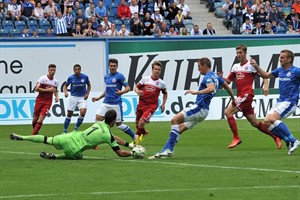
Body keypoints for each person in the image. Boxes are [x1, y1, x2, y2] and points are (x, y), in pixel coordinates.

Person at [148, 57, 235, 159]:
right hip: (205, 111)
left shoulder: (208, 76)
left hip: (199, 107)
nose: (198, 69)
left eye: (199, 67)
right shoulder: (216, 76)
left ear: (204, 66)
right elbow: (227, 86)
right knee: (178, 128)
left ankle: (169, 150)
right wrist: (233, 99)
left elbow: (211, 88)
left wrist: (196, 92)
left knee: (174, 120)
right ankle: (164, 151)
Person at [10, 110, 139, 160]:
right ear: (113, 122)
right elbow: (119, 152)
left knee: (46, 139)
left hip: (69, 136)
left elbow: (114, 137)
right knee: (79, 156)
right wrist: (133, 153)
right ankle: (55, 156)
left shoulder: (99, 123)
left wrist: (129, 144)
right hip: (74, 148)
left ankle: (22, 137)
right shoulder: (107, 135)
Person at [222, 45, 281, 149]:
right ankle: (276, 137)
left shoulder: (251, 65)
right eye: (237, 53)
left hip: (247, 95)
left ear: (245, 53)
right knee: (255, 123)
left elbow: (265, 76)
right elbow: (228, 81)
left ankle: (236, 138)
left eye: (240, 53)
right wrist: (220, 77)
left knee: (228, 112)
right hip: (241, 96)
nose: (239, 55)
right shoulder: (235, 67)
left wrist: (266, 87)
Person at [250, 50, 300, 155]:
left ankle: (294, 140)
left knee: (272, 119)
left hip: (290, 102)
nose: (280, 59)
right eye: (280, 57)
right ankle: (288, 141)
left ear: (289, 59)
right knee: (266, 122)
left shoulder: (296, 71)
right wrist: (256, 66)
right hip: (280, 101)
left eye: (282, 57)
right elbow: (266, 75)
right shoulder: (280, 70)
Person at [92, 58, 136, 141]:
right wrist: (98, 98)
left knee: (119, 124)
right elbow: (107, 90)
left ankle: (134, 137)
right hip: (106, 103)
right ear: (108, 66)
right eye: (111, 66)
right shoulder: (106, 77)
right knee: (98, 118)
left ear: (117, 67)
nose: (112, 67)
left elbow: (128, 88)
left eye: (114, 66)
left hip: (116, 103)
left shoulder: (120, 76)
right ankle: (97, 138)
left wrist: (122, 92)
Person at [134, 61, 168, 144]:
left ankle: (136, 141)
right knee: (137, 125)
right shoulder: (145, 79)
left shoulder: (161, 83)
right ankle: (143, 133)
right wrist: (138, 91)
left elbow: (165, 93)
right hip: (141, 104)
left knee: (141, 123)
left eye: (159, 70)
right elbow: (136, 88)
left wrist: (163, 104)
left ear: (160, 71)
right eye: (155, 69)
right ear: (152, 70)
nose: (157, 71)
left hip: (151, 106)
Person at [63, 64, 91, 133]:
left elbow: (89, 85)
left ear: (80, 70)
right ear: (73, 70)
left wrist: (87, 93)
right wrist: (65, 92)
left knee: (83, 112)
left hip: (82, 97)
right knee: (69, 114)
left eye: (78, 69)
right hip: (73, 97)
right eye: (75, 70)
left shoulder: (85, 77)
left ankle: (75, 128)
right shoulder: (71, 78)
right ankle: (65, 130)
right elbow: (65, 86)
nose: (77, 71)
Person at [32, 64, 59, 135]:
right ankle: (35, 131)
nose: (53, 72)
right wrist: (48, 90)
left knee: (41, 119)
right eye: (51, 70)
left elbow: (55, 91)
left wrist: (56, 97)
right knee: (35, 119)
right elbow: (36, 89)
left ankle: (33, 135)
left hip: (48, 102)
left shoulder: (56, 81)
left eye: (54, 70)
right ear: (48, 70)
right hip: (39, 101)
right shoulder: (42, 79)